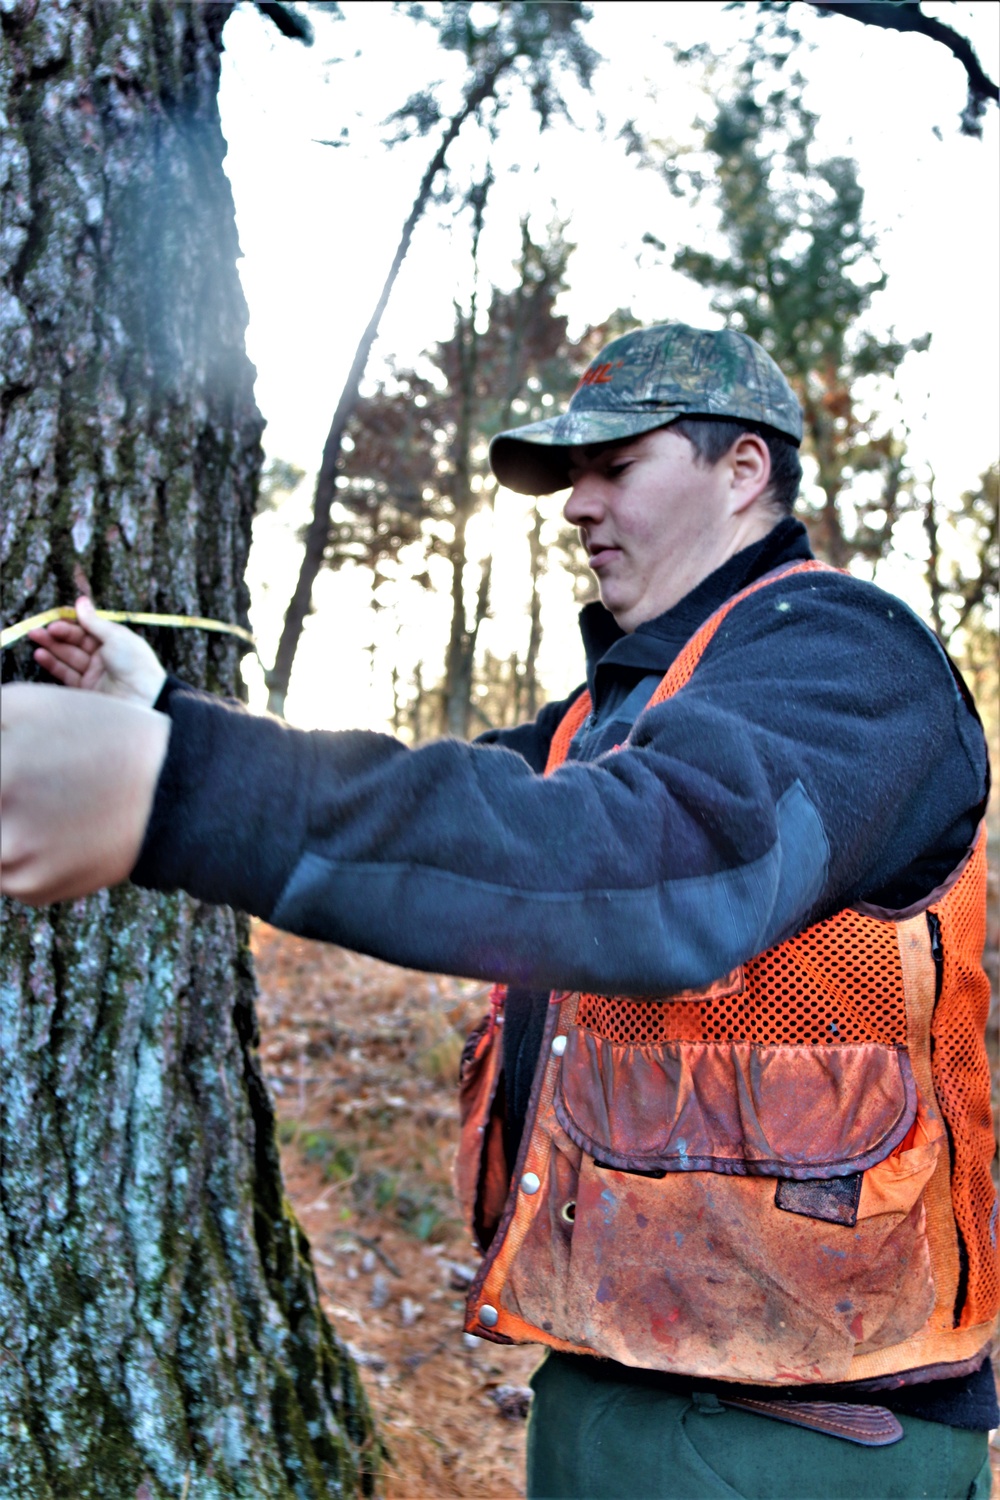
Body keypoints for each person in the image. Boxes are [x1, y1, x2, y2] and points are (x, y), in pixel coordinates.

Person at [2, 324, 995, 1500]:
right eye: (570, 477)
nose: (575, 505)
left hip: (811, 1431)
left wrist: (176, 793)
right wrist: (168, 718)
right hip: (604, 1378)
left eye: (614, 466)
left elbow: (639, 866)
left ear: (743, 473)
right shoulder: (624, 704)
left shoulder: (843, 658)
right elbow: (463, 829)